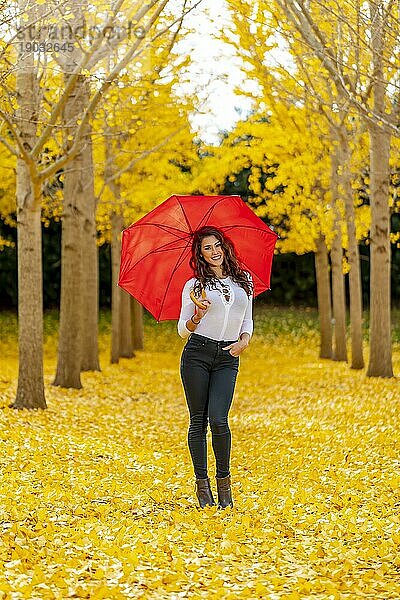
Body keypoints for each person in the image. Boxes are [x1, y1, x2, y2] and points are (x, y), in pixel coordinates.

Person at [177, 225, 254, 509]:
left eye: (217, 245)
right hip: (197, 354)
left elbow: (247, 320)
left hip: (227, 357)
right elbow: (182, 330)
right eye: (207, 248)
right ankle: (202, 486)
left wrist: (244, 341)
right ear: (200, 253)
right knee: (198, 420)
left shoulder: (244, 281)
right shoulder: (194, 286)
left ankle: (225, 484)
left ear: (225, 246)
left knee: (219, 419)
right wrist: (198, 314)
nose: (214, 252)